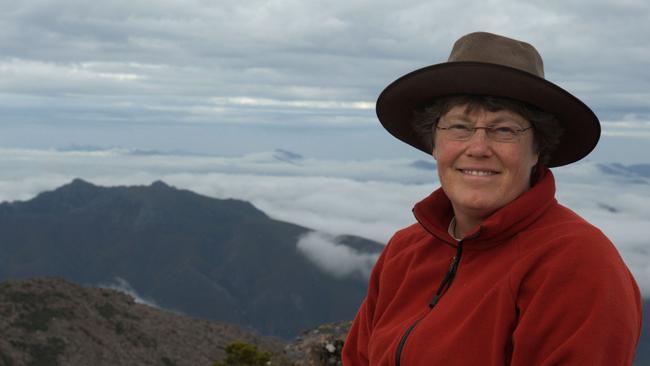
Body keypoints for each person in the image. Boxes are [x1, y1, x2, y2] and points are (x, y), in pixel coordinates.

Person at [342, 32, 642, 365]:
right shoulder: (405, 252)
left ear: (537, 149)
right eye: (459, 126)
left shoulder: (578, 263)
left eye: (504, 130)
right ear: (434, 142)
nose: (479, 148)